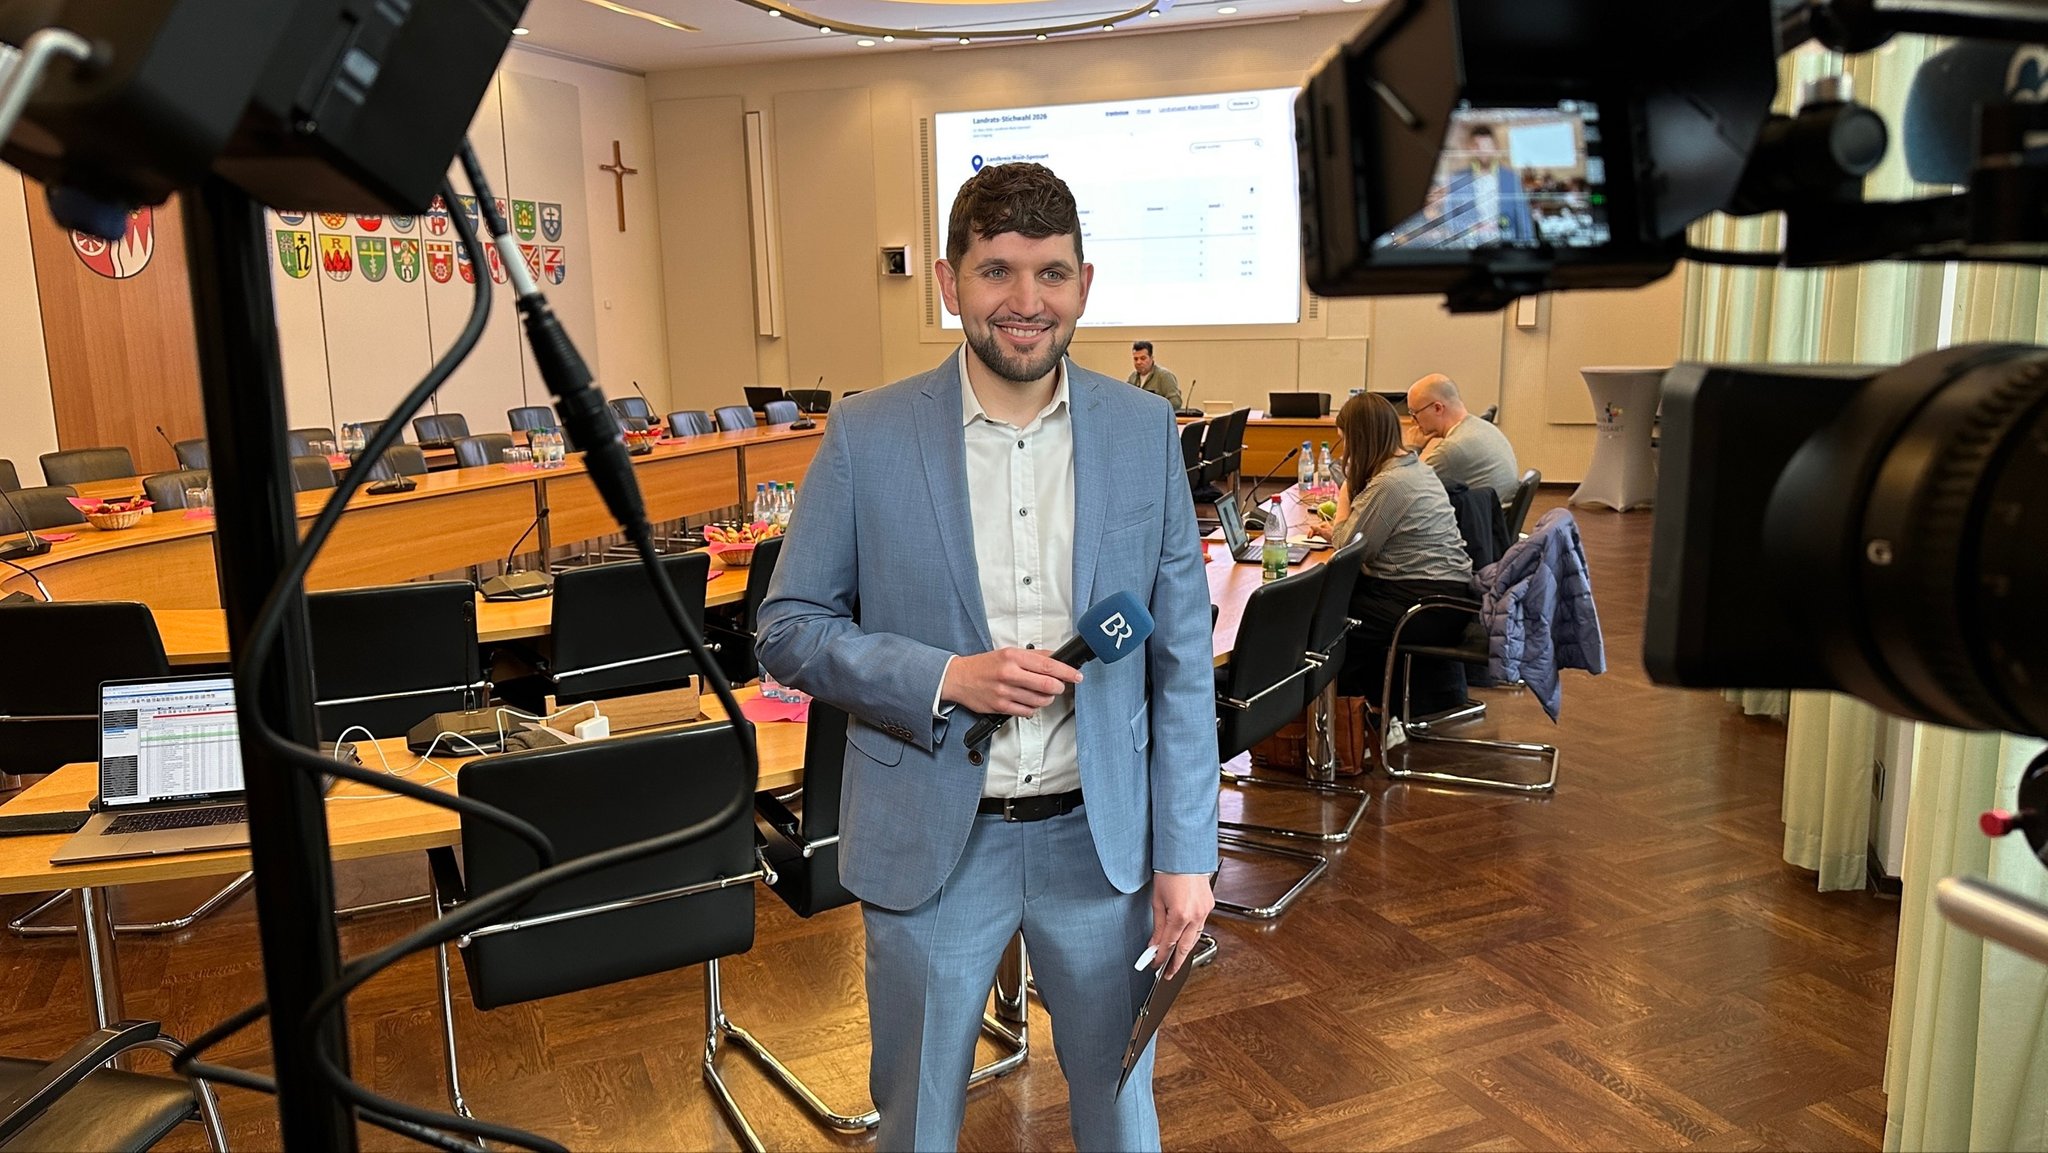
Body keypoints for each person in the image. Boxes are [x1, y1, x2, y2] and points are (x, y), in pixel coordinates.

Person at [756, 161, 1217, 1153]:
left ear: (1084, 284)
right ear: (947, 281)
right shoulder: (867, 434)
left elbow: (1179, 661)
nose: (1025, 301)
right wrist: (944, 677)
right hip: (933, 845)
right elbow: (786, 626)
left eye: (1050, 273)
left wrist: (1188, 853)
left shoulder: (1142, 431)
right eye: (996, 270)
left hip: (1101, 849)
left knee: (1120, 1118)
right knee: (917, 1125)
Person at [1305, 392, 1477, 719]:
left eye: (1346, 442)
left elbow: (1350, 546)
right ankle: (1363, 708)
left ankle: (1347, 717)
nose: (1346, 451)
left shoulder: (1391, 483)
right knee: (1335, 600)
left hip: (1426, 607)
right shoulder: (1413, 468)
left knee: (1323, 618)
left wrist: (1346, 492)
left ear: (1360, 439)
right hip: (1446, 594)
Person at [1406, 372, 1520, 505]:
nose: (1412, 421)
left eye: (1414, 413)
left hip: (1483, 516)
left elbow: (1404, 488)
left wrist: (1412, 448)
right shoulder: (1480, 426)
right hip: (1496, 512)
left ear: (1437, 408)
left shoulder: (1452, 449)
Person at [1126, 340, 1183, 410]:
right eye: (1136, 359)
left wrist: (1156, 409)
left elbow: (1176, 402)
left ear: (1151, 358)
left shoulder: (1164, 376)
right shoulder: (1132, 378)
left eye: (1143, 358)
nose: (1138, 362)